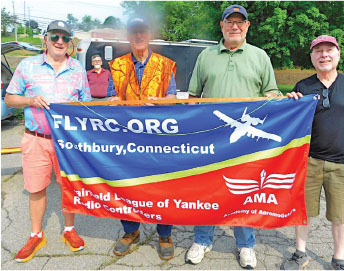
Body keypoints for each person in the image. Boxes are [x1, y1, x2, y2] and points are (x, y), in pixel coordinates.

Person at [186, 5, 280, 270]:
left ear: (247, 26)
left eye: (240, 22)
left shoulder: (260, 56)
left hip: (246, 145)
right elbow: (194, 96)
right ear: (222, 26)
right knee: (207, 190)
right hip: (211, 138)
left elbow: (271, 92)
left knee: (243, 193)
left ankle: (246, 245)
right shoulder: (206, 56)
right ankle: (202, 240)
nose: (235, 26)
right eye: (230, 22)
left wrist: (282, 104)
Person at [283, 35, 344, 270]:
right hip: (309, 162)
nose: (323, 55)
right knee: (302, 212)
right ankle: (300, 253)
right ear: (312, 57)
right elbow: (290, 122)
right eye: (318, 51)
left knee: (341, 215)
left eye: (329, 50)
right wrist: (289, 103)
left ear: (338, 55)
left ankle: (338, 259)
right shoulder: (303, 87)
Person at [4, 20, 91, 262]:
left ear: (69, 42)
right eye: (55, 37)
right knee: (36, 188)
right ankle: (36, 234)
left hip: (67, 142)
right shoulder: (27, 66)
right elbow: (10, 99)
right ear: (46, 39)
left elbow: (87, 104)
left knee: (69, 186)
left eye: (65, 37)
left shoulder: (77, 69)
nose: (60, 42)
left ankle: (70, 230)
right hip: (36, 139)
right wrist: (30, 101)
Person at [108, 17, 177, 260]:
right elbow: (110, 99)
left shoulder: (165, 65)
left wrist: (160, 102)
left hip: (159, 141)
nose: (139, 36)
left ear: (149, 35)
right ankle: (130, 231)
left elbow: (172, 98)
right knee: (126, 186)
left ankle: (165, 233)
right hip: (126, 141)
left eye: (143, 31)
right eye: (134, 31)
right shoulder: (116, 66)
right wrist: (112, 103)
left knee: (162, 186)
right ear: (129, 36)